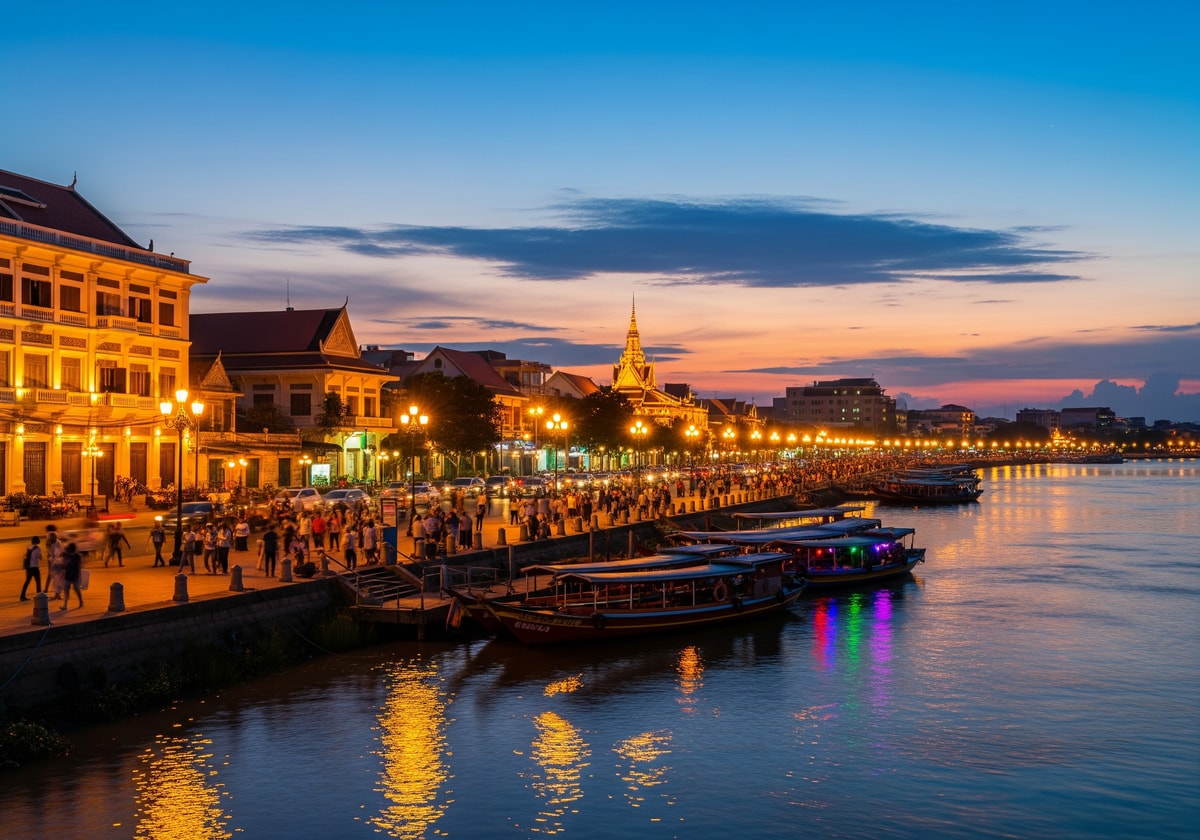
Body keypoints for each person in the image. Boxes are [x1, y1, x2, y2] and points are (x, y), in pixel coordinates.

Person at [59, 542, 84, 610]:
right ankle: (65, 605)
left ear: (72, 549)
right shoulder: (66, 555)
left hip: (75, 575)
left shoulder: (77, 556)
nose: (68, 549)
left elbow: (80, 565)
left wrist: (79, 574)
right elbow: (63, 563)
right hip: (68, 575)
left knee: (76, 589)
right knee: (66, 590)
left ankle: (81, 601)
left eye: (69, 548)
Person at [19, 535, 43, 601]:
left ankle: (22, 596)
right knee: (38, 581)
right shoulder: (38, 548)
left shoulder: (29, 547)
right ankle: (39, 595)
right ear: (37, 541)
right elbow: (39, 557)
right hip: (34, 566)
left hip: (28, 567)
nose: (39, 541)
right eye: (38, 540)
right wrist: (40, 556)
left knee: (27, 581)